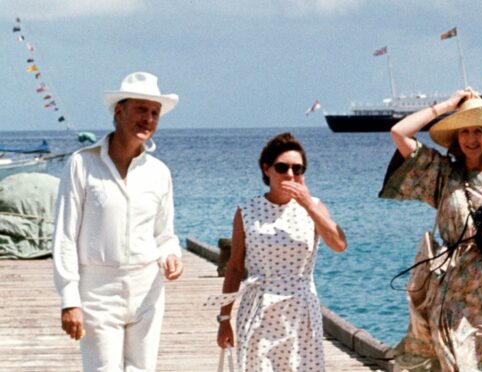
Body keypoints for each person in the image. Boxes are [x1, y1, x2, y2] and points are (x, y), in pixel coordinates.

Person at [380, 88, 482, 371]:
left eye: (478, 130)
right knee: (457, 365)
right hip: (451, 288)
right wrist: (447, 106)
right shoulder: (442, 173)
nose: (471, 139)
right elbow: (399, 133)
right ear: (456, 137)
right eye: (464, 131)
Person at [52, 71, 184, 371]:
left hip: (148, 289)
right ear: (119, 111)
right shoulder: (81, 165)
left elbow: (164, 234)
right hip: (97, 291)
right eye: (141, 110)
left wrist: (171, 255)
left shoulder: (159, 172)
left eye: (154, 113)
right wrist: (69, 298)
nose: (148, 119)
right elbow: (64, 236)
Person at [213, 132, 347, 371]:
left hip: (301, 312)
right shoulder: (247, 210)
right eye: (282, 167)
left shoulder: (314, 206)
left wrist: (307, 204)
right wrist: (224, 319)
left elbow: (338, 244)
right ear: (267, 169)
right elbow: (234, 267)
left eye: (298, 169)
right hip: (258, 308)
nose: (290, 174)